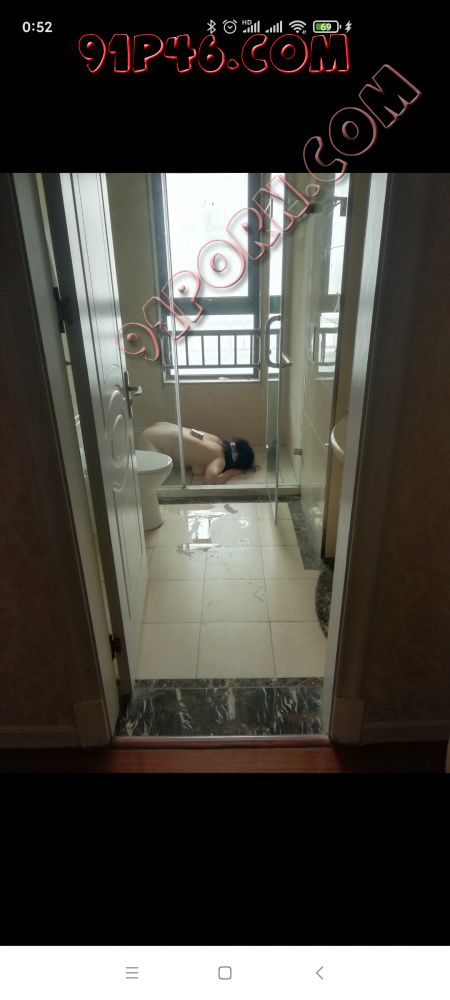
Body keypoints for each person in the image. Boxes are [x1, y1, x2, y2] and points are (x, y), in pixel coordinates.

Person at [137, 421, 256, 485]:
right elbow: (210, 480)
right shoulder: (219, 460)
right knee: (156, 480)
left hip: (160, 426)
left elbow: (196, 467)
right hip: (149, 444)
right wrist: (231, 473)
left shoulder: (216, 439)